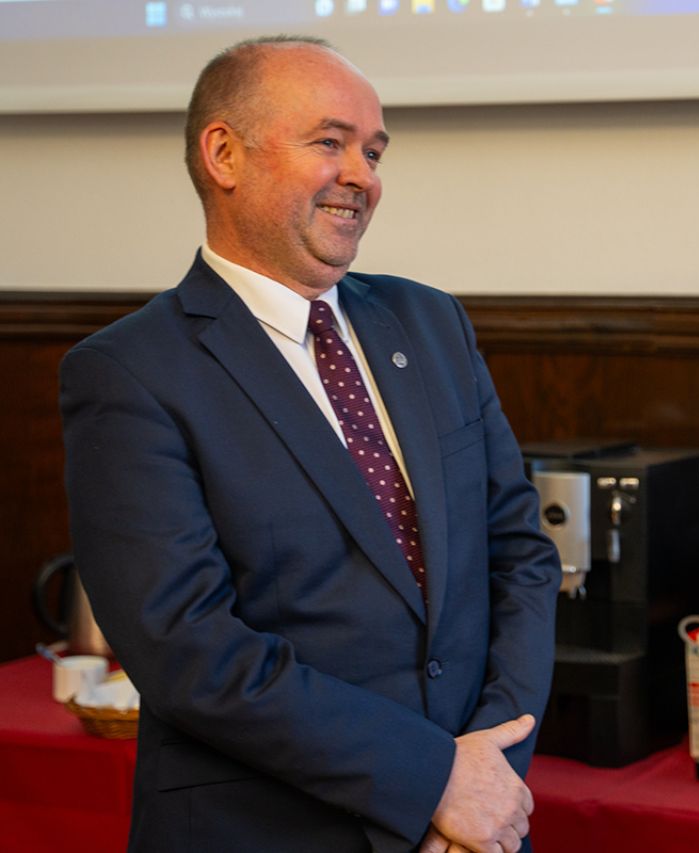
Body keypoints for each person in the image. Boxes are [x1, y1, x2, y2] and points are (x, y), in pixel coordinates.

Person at [59, 36, 560, 853]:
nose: (363, 175)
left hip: (481, 828)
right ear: (224, 154)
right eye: (331, 142)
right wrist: (433, 780)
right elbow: (190, 651)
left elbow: (522, 557)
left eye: (374, 151)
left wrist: (488, 772)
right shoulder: (129, 372)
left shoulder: (432, 322)